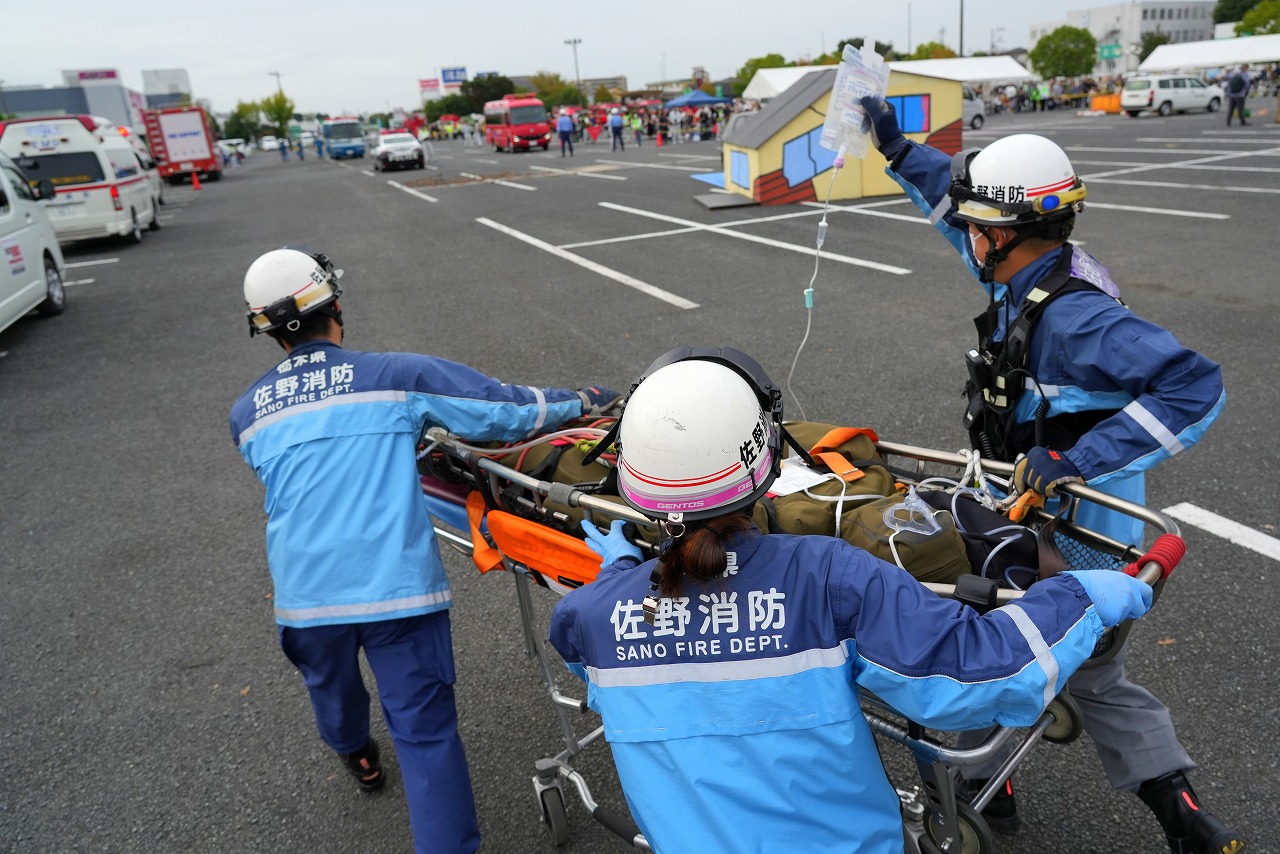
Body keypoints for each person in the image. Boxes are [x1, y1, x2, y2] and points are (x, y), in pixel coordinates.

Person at [549, 347, 1156, 854]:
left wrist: (621, 574)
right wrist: (1080, 598)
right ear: (766, 460)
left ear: (630, 481)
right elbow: (982, 676)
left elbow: (620, 642)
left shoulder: (589, 618)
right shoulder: (830, 577)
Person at [859, 96, 1243, 854]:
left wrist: (1075, 461)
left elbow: (1195, 386)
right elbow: (957, 213)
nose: (963, 235)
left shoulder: (1079, 320)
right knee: (1095, 668)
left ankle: (980, 790)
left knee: (1009, 642)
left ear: (1004, 236)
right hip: (1066, 513)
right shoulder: (1038, 274)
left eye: (976, 228)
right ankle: (1180, 808)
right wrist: (903, 152)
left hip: (1082, 529)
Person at [229, 246, 618, 854]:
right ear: (334, 303)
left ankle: (354, 752)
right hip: (397, 593)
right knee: (426, 737)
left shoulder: (246, 413)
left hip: (305, 599)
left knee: (332, 690)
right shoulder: (394, 375)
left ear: (268, 329)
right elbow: (507, 412)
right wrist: (588, 398)